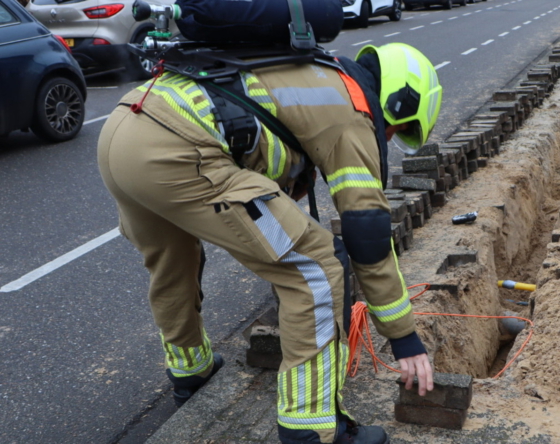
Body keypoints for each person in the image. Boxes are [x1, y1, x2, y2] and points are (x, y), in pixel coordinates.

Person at [96, 42, 442, 444]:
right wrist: (403, 337)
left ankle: (191, 372)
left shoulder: (311, 73)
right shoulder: (351, 110)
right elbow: (367, 229)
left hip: (124, 131)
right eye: (396, 129)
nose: (387, 137)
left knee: (172, 259)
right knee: (316, 266)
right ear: (398, 101)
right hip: (181, 150)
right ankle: (310, 428)